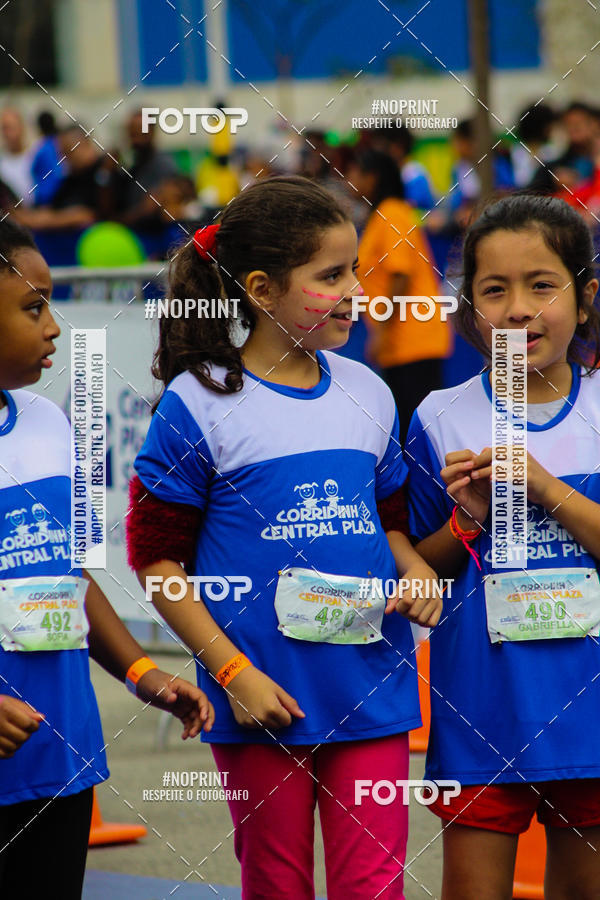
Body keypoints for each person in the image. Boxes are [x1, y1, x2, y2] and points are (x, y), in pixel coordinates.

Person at [125, 175, 442, 900]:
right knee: (277, 884)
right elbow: (157, 560)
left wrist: (414, 567)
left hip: (372, 687)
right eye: (331, 276)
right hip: (261, 698)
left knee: (375, 886)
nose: (355, 290)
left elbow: (390, 520)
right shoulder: (200, 400)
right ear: (262, 291)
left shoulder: (369, 390)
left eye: (354, 269)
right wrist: (233, 674)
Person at [0, 218, 215, 899]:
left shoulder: (46, 423)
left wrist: (141, 671)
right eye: (33, 307)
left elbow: (68, 576)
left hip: (62, 759)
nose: (54, 328)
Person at [406, 194, 600, 899]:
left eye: (542, 285)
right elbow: (416, 563)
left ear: (585, 298)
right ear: (469, 310)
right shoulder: (439, 416)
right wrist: (469, 521)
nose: (519, 310)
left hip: (591, 721)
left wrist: (544, 487)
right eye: (494, 290)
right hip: (480, 715)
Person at [347, 149, 452, 443]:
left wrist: (381, 330)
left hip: (414, 341)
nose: (349, 179)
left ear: (373, 177)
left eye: (355, 172)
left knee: (419, 437)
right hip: (399, 343)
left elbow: (400, 274)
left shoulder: (392, 213)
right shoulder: (381, 216)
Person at [0, 107, 34, 207]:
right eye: (4, 128)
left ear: (22, 128)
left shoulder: (35, 157)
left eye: (11, 128)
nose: (7, 134)